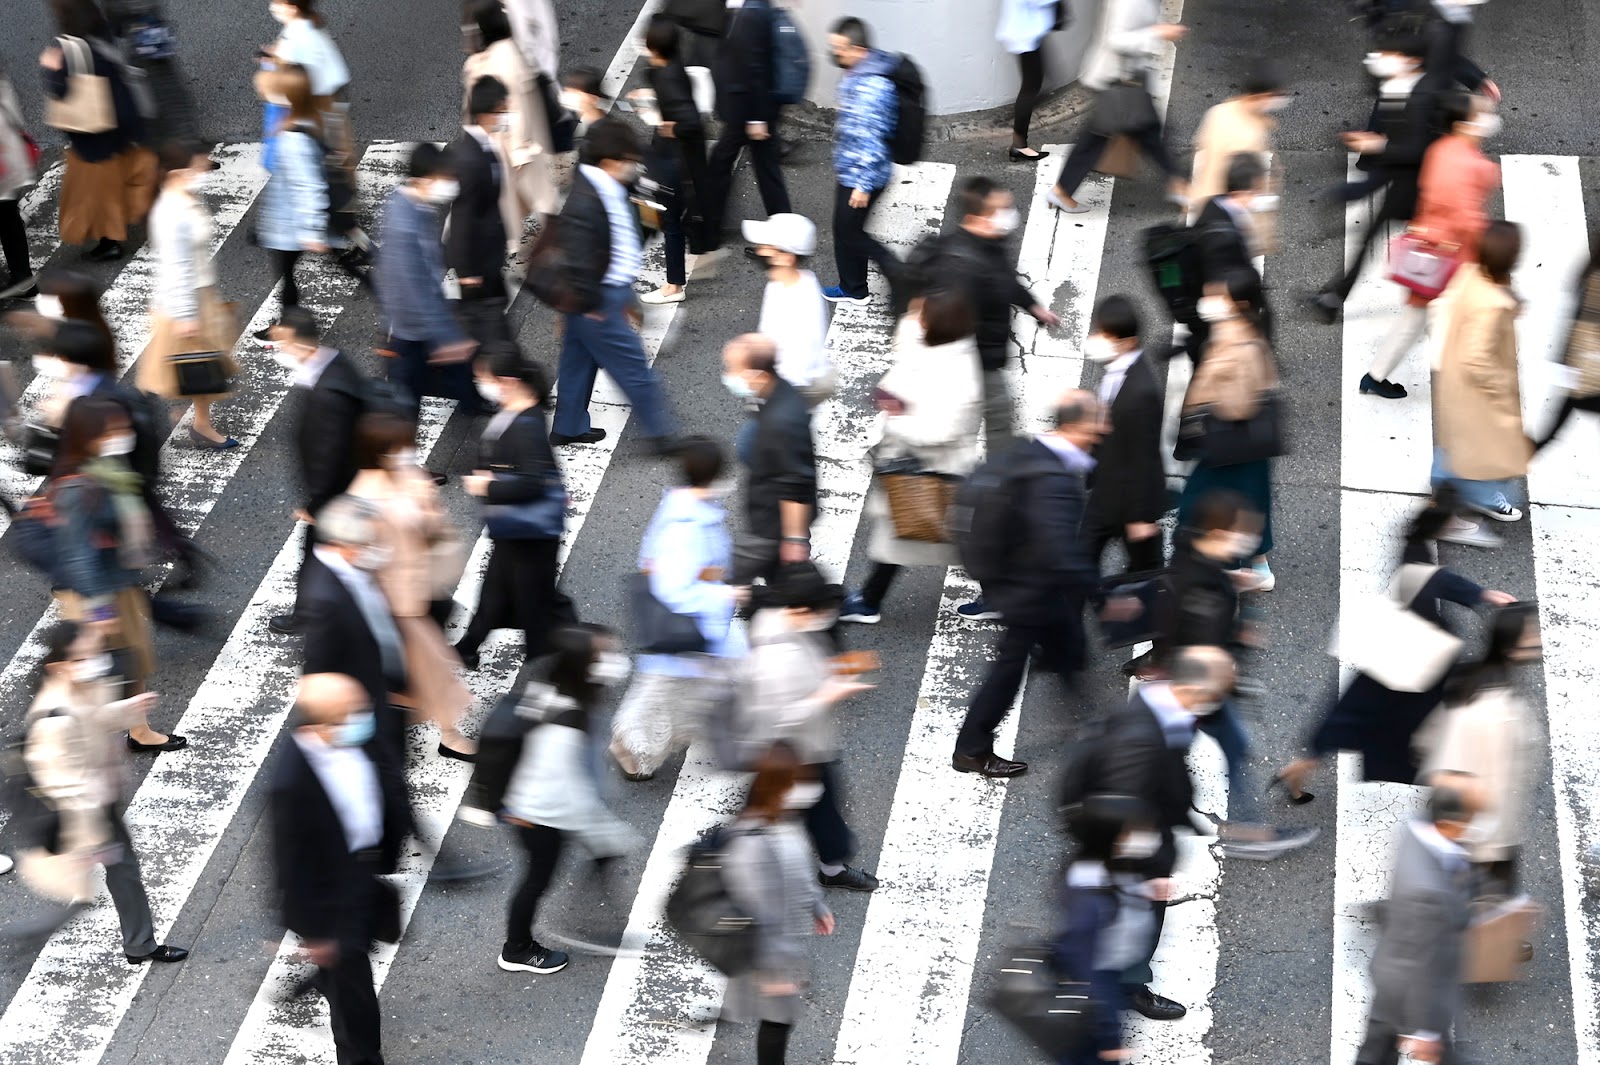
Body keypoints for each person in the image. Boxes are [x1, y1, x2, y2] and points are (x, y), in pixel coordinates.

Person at [1274, 487, 1516, 802]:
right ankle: (1446, 793)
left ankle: (1297, 770)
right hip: (1407, 669)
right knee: (1391, 732)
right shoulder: (1420, 566)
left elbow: (1436, 578)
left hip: (1394, 661)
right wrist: (1476, 600)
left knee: (1347, 723)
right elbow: (1435, 583)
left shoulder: (1414, 549)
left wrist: (1479, 595)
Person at [953, 390, 1104, 778]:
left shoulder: (1029, 451)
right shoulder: (1053, 480)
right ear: (1073, 427)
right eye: (1095, 424)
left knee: (1066, 641)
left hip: (1018, 580)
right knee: (1008, 669)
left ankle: (1080, 712)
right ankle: (971, 749)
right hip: (1029, 590)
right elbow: (1058, 551)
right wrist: (1100, 593)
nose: (1102, 430)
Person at [21, 620, 189, 962]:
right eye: (85, 657)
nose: (95, 661)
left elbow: (91, 718)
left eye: (96, 653)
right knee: (106, 875)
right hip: (88, 809)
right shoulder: (54, 717)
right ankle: (136, 944)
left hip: (99, 800)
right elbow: (59, 779)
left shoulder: (76, 686)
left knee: (117, 873)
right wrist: (91, 831)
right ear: (59, 665)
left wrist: (127, 711)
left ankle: (138, 944)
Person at [1095, 645, 1235, 1022]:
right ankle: (1125, 988)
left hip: (1139, 838)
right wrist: (1142, 864)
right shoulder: (1145, 733)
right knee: (1135, 914)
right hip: (1133, 848)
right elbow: (1126, 800)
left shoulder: (1161, 710)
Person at [271, 672, 405, 1065]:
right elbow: (289, 864)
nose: (364, 717)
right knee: (354, 996)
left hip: (363, 875)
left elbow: (389, 784)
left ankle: (321, 976)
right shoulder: (292, 783)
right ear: (318, 724)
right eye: (352, 713)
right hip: (333, 901)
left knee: (358, 955)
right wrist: (315, 931)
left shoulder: (355, 734)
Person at [498, 624, 640, 973]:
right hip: (538, 813)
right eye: (602, 656)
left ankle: (589, 923)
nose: (613, 660)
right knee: (538, 878)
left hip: (539, 804)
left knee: (601, 854)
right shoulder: (566, 721)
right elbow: (565, 788)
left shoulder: (557, 690)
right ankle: (517, 948)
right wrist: (602, 828)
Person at [839, 288, 982, 624]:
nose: (916, 319)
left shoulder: (962, 373)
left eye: (923, 315)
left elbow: (943, 431)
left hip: (932, 473)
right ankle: (870, 600)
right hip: (914, 469)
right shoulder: (935, 348)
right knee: (919, 537)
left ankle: (870, 601)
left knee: (940, 538)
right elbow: (905, 356)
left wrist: (898, 418)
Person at [49, 398, 182, 750]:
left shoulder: (105, 468)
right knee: (91, 672)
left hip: (116, 583)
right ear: (88, 435)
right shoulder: (77, 489)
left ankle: (138, 731)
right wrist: (100, 610)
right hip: (95, 594)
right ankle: (73, 740)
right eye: (113, 430)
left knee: (131, 661)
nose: (123, 435)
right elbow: (79, 555)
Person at [610, 437, 744, 781]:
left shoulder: (685, 509)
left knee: (669, 692)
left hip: (694, 631)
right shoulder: (687, 528)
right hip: (689, 629)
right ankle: (631, 749)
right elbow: (675, 591)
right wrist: (727, 595)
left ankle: (638, 743)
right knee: (664, 696)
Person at [741, 562, 878, 891]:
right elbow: (778, 715)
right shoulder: (778, 656)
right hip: (795, 749)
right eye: (820, 610)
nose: (826, 616)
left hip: (797, 748)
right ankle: (829, 865)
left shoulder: (775, 619)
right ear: (801, 608)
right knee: (812, 805)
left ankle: (828, 862)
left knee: (792, 804)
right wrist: (829, 692)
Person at [346, 411, 475, 761]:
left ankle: (430, 727)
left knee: (420, 671)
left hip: (417, 592)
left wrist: (427, 508)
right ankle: (440, 733)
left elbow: (432, 527)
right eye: (402, 446)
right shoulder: (363, 496)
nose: (410, 452)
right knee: (426, 668)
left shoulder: (403, 476)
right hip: (393, 602)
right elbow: (359, 556)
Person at [904, 176, 1058, 462]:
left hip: (983, 353)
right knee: (996, 415)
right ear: (977, 217)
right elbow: (948, 321)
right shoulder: (960, 267)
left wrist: (1033, 306)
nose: (1010, 215)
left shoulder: (989, 243)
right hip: (970, 358)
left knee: (998, 415)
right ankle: (998, 479)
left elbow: (1003, 280)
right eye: (1001, 209)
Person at [547, 120, 678, 452]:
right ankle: (662, 435)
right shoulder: (584, 202)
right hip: (599, 298)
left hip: (591, 296)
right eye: (627, 161)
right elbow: (575, 259)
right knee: (633, 368)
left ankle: (568, 426)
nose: (632, 167)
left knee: (578, 362)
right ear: (608, 162)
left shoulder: (602, 183)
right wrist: (590, 307)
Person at [1362, 91, 1501, 399]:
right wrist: (1494, 253)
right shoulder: (1467, 163)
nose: (1487, 120)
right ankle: (1456, 385)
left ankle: (1375, 376)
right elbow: (1468, 219)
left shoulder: (1440, 149)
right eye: (1480, 115)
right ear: (1463, 124)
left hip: (1426, 252)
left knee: (1417, 317)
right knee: (1454, 322)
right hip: (1452, 259)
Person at [1309, 31, 1442, 320]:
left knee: (1430, 245)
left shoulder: (1423, 96)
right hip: (1402, 178)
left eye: (1390, 55)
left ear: (1412, 61)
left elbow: (1417, 148)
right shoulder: (1396, 85)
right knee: (1372, 237)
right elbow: (1394, 135)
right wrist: (1372, 142)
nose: (1381, 59)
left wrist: (1378, 145)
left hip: (1420, 186)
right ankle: (1334, 298)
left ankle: (1336, 298)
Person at [720, 744, 837, 1065]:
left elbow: (797, 881)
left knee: (772, 1016)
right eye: (800, 782)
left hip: (765, 945)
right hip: (769, 952)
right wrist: (775, 973)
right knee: (777, 1020)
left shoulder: (763, 824)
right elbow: (764, 914)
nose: (810, 790)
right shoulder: (772, 844)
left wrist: (817, 906)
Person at [1417, 603, 1543, 897]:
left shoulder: (1492, 686)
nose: (1538, 639)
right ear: (1510, 645)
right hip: (1480, 842)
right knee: (1482, 909)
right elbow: (1444, 775)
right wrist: (1479, 830)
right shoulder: (1486, 707)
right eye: (1530, 634)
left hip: (1494, 836)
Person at [455, 345, 565, 668]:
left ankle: (558, 654)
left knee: (536, 599)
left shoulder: (527, 424)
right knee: (500, 590)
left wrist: (487, 484)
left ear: (506, 380)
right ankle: (469, 646)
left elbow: (532, 480)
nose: (481, 385)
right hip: (517, 528)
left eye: (484, 379)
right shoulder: (516, 410)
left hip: (528, 531)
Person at [1353, 785, 1475, 1065]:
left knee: (1375, 1051)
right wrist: (1427, 1031)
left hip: (1391, 974)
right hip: (1413, 991)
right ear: (1446, 824)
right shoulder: (1429, 896)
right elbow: (1424, 966)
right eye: (1465, 824)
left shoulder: (1416, 833)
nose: (1469, 830)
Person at [1176, 271, 1279, 590]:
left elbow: (1238, 405)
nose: (1211, 302)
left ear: (1240, 304)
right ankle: (1258, 567)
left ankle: (1213, 574)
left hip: (1227, 441)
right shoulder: (1247, 328)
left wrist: (1208, 393)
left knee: (1199, 506)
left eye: (1219, 297)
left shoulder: (1239, 343)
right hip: (1247, 443)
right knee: (1252, 500)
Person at [267, 306, 366, 635]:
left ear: (303, 344)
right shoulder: (334, 363)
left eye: (284, 343)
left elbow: (329, 454)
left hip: (334, 496)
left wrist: (315, 505)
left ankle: (307, 615)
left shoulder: (327, 395)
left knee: (316, 555)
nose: (280, 350)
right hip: (346, 489)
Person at [140, 140, 242, 449]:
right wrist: (187, 314)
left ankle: (198, 422)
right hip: (186, 300)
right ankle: (179, 424)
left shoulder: (181, 199)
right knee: (188, 368)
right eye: (198, 166)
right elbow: (178, 265)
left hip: (197, 294)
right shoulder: (173, 211)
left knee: (199, 365)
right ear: (178, 172)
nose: (203, 171)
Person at [40, 0, 157, 263]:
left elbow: (61, 90)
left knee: (99, 193)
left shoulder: (67, 50)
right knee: (124, 177)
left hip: (93, 134)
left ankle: (110, 242)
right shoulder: (99, 33)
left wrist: (50, 68)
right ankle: (143, 218)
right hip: (121, 122)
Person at [1045, 0, 1187, 214]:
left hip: (1129, 80)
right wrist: (1157, 33)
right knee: (1135, 133)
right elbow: (1116, 39)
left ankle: (1178, 182)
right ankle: (1179, 183)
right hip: (1118, 81)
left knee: (1126, 133)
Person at [1432, 220, 1528, 533]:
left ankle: (1443, 499)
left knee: (1454, 447)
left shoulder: (1472, 274)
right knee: (1486, 453)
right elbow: (1478, 359)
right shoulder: (1493, 303)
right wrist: (1501, 393)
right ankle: (1467, 505)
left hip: (1454, 380)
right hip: (1477, 395)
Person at [1052, 795, 1160, 1064]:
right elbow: (1093, 982)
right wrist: (1110, 1039)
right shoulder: (1091, 905)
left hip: (1107, 971)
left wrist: (1142, 891)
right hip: (1096, 1001)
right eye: (1134, 832)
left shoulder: (1095, 866)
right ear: (1110, 839)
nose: (1146, 838)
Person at [373, 142, 481, 415]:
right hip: (411, 329)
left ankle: (471, 401)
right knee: (406, 403)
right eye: (444, 179)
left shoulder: (413, 206)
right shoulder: (404, 223)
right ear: (423, 179)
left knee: (457, 364)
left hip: (421, 320)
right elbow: (414, 288)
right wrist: (447, 337)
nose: (449, 185)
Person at [722, 335, 817, 586]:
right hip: (768, 509)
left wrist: (794, 539)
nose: (729, 375)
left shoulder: (782, 422)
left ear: (759, 374)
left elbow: (795, 485)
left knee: (735, 576)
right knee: (779, 577)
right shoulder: (772, 391)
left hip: (770, 523)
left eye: (734, 369)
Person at [462, 0, 556, 249]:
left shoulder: (499, 60)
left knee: (512, 197)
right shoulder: (509, 51)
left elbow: (516, 111)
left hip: (510, 142)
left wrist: (512, 146)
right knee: (530, 196)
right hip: (516, 141)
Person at [1083, 294, 1165, 576]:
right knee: (1083, 560)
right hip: (1106, 487)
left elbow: (1145, 455)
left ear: (1127, 342)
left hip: (1129, 499)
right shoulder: (1117, 370)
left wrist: (1140, 516)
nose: (1096, 338)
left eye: (1104, 334)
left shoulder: (1142, 393)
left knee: (1146, 569)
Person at [821, 17, 899, 307]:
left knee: (850, 232)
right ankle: (853, 287)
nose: (835, 53)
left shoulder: (871, 87)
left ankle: (892, 273)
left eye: (840, 48)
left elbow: (873, 138)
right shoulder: (859, 72)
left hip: (862, 175)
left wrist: (863, 185)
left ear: (859, 49)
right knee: (845, 230)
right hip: (851, 169)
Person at [635, 13, 711, 306]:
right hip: (672, 154)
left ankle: (674, 285)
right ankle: (701, 242)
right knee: (667, 212)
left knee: (668, 219)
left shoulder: (668, 76)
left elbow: (689, 121)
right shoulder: (668, 66)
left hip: (673, 158)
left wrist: (669, 126)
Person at [704, 0, 791, 249]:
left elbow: (757, 67)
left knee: (722, 163)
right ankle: (783, 233)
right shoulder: (746, 10)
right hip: (749, 109)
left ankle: (709, 231)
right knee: (766, 171)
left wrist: (756, 118)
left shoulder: (751, 13)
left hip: (748, 110)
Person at [255, 64, 329, 319]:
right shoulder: (306, 116)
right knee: (288, 273)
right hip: (289, 218)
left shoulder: (293, 137)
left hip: (290, 224)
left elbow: (308, 184)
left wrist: (311, 229)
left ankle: (289, 324)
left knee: (285, 275)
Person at [447, 76, 514, 347]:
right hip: (476, 260)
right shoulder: (470, 159)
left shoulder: (483, 147)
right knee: (485, 324)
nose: (506, 116)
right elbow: (462, 218)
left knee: (492, 309)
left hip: (487, 253)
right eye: (503, 110)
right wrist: (465, 271)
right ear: (487, 113)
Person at [741, 213, 833, 404]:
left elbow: (798, 365)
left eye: (766, 246)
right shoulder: (783, 282)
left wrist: (765, 391)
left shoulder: (801, 302)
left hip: (788, 393)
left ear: (786, 258)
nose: (759, 250)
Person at [1193, 154, 1276, 354]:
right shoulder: (1220, 235)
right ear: (1240, 192)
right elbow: (1215, 276)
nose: (1257, 196)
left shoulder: (1216, 203)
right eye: (1254, 191)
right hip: (1234, 293)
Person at [260, 0, 352, 177]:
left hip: (324, 96)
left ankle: (339, 185)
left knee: (332, 150)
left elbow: (300, 79)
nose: (273, 7)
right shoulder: (299, 26)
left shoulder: (302, 35)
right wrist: (276, 57)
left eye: (278, 3)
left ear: (293, 9)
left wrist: (276, 72)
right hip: (325, 92)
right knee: (331, 145)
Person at [1188, 59, 1284, 209]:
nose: (1276, 100)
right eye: (1272, 95)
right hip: (1230, 207)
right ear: (1259, 96)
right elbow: (1231, 178)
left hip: (1216, 202)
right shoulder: (1245, 132)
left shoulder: (1219, 112)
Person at [1533, 251, 1600, 451]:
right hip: (1588, 372)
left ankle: (1536, 446)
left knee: (1558, 419)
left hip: (1581, 369)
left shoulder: (1590, 276)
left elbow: (1576, 325)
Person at [996, 0, 1065, 161]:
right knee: (1032, 88)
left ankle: (1018, 135)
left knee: (1036, 86)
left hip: (1027, 31)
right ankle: (1019, 144)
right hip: (1027, 34)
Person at [0, 66, 38, 299]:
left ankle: (23, 279)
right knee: (8, 220)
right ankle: (23, 279)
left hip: (3, 166)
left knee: (7, 220)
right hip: (10, 162)